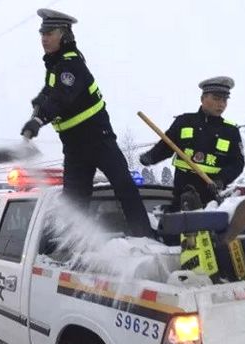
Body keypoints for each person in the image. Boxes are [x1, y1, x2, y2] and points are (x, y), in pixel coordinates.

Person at [21, 9, 152, 237]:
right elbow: (49, 93)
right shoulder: (56, 65)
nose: (44, 38)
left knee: (124, 186)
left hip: (97, 138)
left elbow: (62, 98)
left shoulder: (71, 65)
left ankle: (143, 236)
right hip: (74, 146)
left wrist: (38, 120)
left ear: (64, 35)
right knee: (74, 201)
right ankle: (68, 245)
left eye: (49, 33)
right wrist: (38, 106)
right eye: (42, 33)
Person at [139, 76, 245, 208]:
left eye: (224, 100)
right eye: (216, 99)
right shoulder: (184, 122)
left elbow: (237, 163)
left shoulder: (230, 131)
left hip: (211, 198)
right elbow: (166, 146)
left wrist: (221, 180)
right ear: (203, 99)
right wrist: (150, 157)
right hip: (182, 194)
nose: (221, 104)